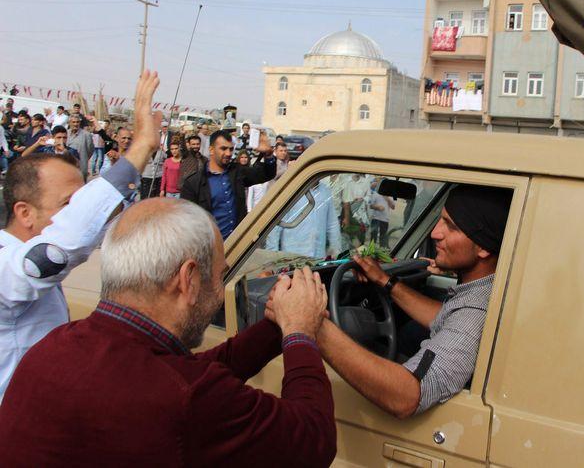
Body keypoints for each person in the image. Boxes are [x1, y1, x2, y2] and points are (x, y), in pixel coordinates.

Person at [0, 199, 336, 467]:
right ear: (189, 279)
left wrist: (275, 325)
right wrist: (299, 333)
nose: (219, 294)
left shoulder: (56, 346)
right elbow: (313, 441)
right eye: (219, 276)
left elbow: (183, 373)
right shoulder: (183, 397)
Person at [272, 184, 512, 418]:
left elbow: (409, 396)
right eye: (440, 220)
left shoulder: (475, 312)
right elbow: (445, 316)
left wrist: (311, 324)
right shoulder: (483, 290)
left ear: (483, 247)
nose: (435, 233)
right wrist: (385, 281)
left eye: (451, 226)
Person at [0, 69, 163, 400]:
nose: (77, 212)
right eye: (68, 204)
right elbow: (72, 236)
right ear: (24, 212)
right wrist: (141, 147)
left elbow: (96, 219)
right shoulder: (7, 266)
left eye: (80, 202)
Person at [181, 130, 275, 239]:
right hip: (210, 244)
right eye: (223, 148)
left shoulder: (237, 172)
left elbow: (266, 174)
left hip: (238, 243)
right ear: (211, 150)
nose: (228, 153)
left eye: (231, 149)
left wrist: (268, 154)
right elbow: (187, 222)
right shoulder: (193, 183)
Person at [267, 180, 342, 259]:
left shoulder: (325, 191)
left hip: (318, 256)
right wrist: (272, 255)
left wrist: (335, 249)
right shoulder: (291, 191)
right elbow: (276, 225)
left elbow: (332, 224)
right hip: (292, 256)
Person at [342, 173, 372, 247]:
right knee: (348, 235)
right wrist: (346, 217)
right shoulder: (346, 181)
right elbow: (343, 198)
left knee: (361, 235)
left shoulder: (366, 182)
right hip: (347, 211)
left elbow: (369, 196)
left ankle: (360, 248)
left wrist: (362, 199)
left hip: (360, 213)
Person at [368, 179, 395, 247]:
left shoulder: (390, 195)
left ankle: (381, 250)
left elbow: (393, 207)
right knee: (373, 237)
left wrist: (387, 198)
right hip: (375, 218)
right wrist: (377, 207)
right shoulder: (375, 194)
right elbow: (370, 206)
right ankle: (371, 251)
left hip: (385, 219)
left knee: (383, 238)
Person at [66, 113, 93, 178]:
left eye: (77, 122)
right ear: (69, 123)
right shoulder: (65, 133)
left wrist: (83, 158)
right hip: (67, 167)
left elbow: (90, 151)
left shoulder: (86, 135)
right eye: (73, 122)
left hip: (81, 167)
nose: (75, 124)